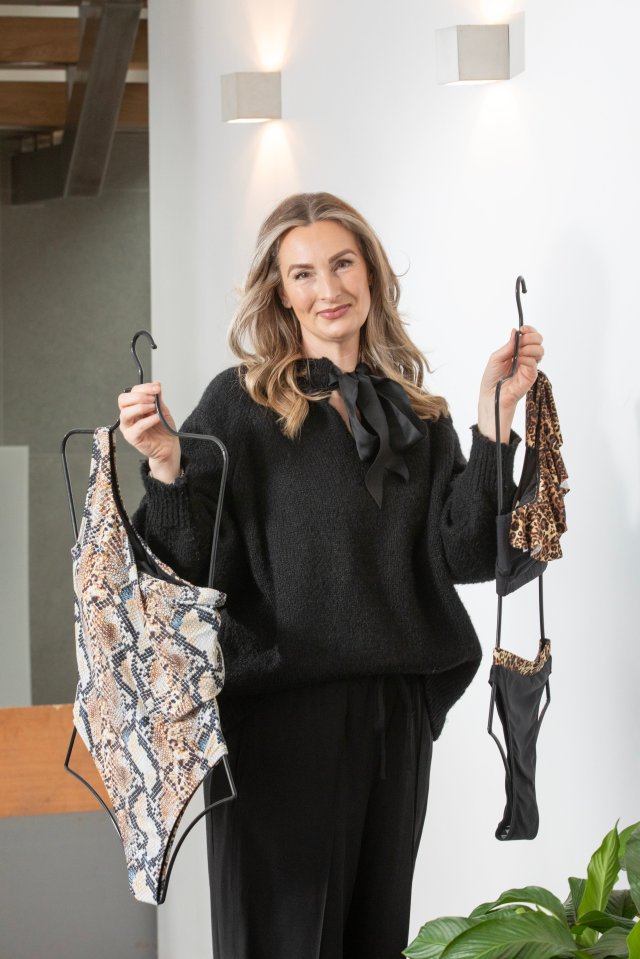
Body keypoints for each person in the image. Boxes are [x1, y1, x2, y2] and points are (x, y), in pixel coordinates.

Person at [118, 192, 543, 959]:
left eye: (342, 263)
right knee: (284, 943)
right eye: (304, 272)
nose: (328, 288)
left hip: (395, 715)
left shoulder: (416, 412)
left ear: (370, 273)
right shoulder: (240, 402)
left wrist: (493, 417)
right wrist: (166, 464)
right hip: (280, 722)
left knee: (373, 940)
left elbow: (469, 556)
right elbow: (184, 571)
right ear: (281, 291)